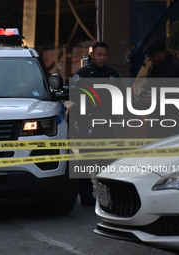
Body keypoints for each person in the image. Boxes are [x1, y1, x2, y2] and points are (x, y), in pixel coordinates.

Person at [70, 41, 125, 206]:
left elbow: (121, 98)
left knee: (108, 161)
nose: (102, 58)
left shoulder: (113, 74)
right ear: (92, 54)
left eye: (105, 54)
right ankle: (86, 196)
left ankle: (108, 196)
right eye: (99, 54)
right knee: (86, 161)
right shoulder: (82, 75)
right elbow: (73, 98)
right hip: (87, 123)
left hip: (107, 123)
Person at [134, 39, 179, 138]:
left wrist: (157, 97)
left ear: (163, 52)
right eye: (149, 58)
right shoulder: (154, 68)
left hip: (177, 123)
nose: (151, 60)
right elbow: (151, 88)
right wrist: (142, 98)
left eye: (153, 57)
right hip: (157, 122)